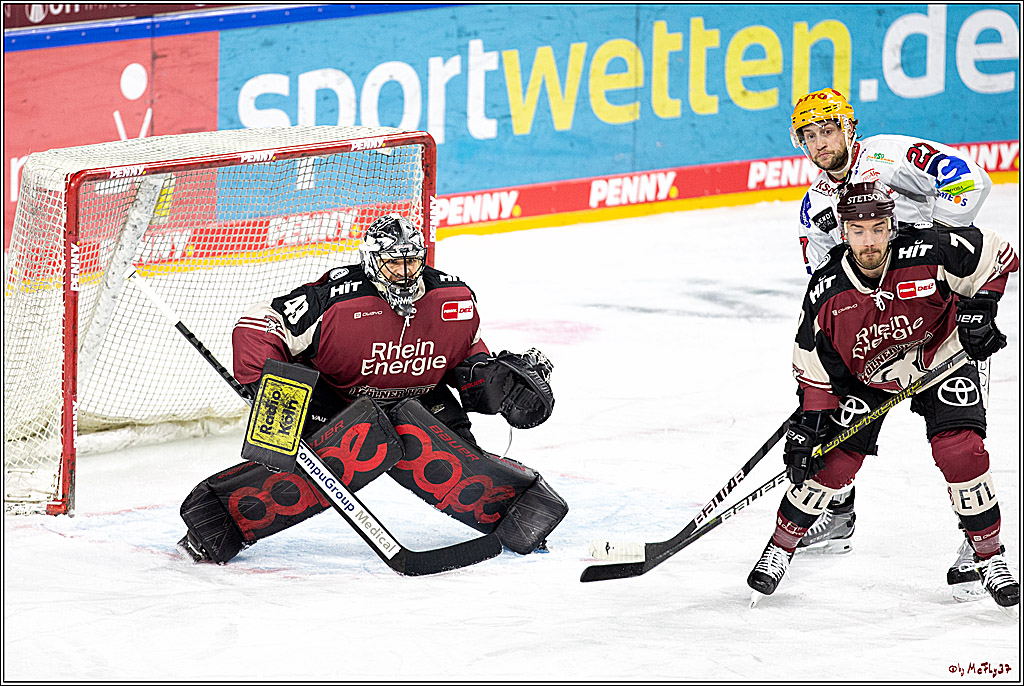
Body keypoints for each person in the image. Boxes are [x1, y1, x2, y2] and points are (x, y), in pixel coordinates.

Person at [175, 213, 568, 564]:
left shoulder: (454, 298)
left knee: (462, 465)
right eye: (393, 261)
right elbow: (259, 324)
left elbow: (465, 353)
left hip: (422, 399)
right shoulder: (337, 298)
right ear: (371, 261)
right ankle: (217, 520)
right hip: (337, 404)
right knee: (329, 456)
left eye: (411, 260)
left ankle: (525, 511)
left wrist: (487, 378)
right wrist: (266, 382)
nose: (404, 271)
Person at [746, 181, 1019, 610]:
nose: (869, 240)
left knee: (960, 452)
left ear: (892, 225)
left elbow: (1000, 254)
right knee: (830, 463)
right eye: (858, 231)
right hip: (866, 380)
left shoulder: (929, 249)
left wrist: (981, 308)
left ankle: (990, 556)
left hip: (940, 358)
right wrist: (810, 423)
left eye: (877, 228)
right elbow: (813, 359)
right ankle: (779, 548)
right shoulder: (827, 288)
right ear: (843, 233)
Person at [786, 88, 995, 597]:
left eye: (828, 130)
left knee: (959, 436)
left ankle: (977, 546)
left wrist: (938, 245)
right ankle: (836, 512)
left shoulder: (887, 155)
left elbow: (970, 179)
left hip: (938, 309)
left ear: (849, 128)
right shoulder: (815, 207)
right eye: (809, 136)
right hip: (878, 326)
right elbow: (824, 280)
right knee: (833, 417)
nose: (820, 143)